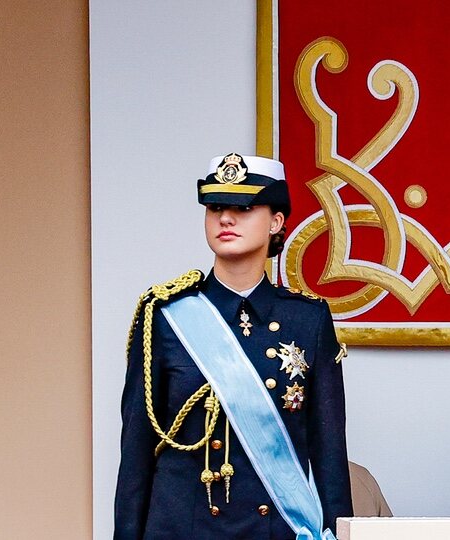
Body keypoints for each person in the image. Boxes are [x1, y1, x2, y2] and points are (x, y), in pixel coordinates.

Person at [115, 153, 353, 539]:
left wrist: (339, 530)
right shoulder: (164, 314)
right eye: (215, 207)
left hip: (275, 529)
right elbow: (136, 455)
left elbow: (329, 453)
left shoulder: (307, 320)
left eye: (243, 207)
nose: (225, 218)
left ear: (276, 221)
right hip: (181, 529)